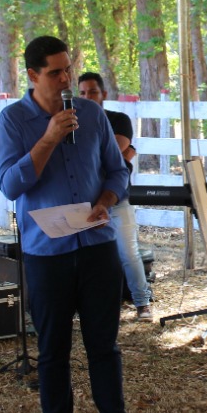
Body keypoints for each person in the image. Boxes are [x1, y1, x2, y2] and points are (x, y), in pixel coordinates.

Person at [0, 36, 135, 413]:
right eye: (54, 72)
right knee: (52, 350)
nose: (65, 78)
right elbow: (11, 186)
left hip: (96, 248)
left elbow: (117, 170)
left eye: (67, 69)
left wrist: (106, 202)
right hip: (46, 253)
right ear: (33, 75)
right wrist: (49, 138)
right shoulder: (13, 120)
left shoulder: (91, 114)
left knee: (103, 347)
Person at [78, 72, 154, 321]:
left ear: (103, 95)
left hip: (116, 198)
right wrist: (122, 158)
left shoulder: (118, 119)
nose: (87, 97)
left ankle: (142, 303)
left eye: (92, 92)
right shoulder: (71, 122)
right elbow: (108, 157)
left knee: (127, 252)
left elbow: (112, 152)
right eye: (82, 93)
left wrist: (119, 157)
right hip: (84, 201)